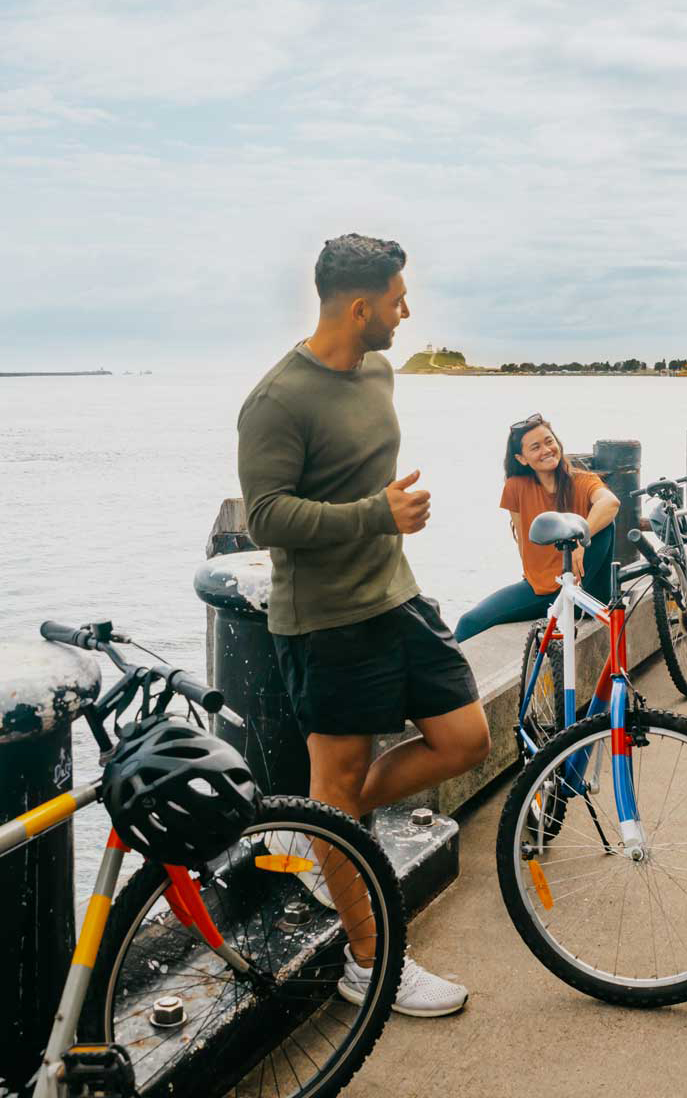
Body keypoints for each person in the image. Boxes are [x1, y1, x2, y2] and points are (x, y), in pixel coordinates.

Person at [237, 233, 485, 1016]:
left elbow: (358, 471)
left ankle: (328, 839)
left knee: (466, 739)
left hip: (396, 597)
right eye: (397, 300)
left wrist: (385, 516)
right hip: (326, 622)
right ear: (358, 305)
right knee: (335, 787)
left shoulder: (378, 371)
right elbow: (265, 517)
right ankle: (370, 959)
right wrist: (376, 513)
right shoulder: (277, 401)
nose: (406, 312)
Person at [454, 415, 619, 643]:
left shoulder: (583, 481)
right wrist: (536, 579)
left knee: (605, 522)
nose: (546, 450)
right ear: (522, 458)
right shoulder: (515, 488)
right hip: (543, 590)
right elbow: (524, 542)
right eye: (536, 447)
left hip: (586, 591)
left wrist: (581, 540)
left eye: (549, 441)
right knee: (468, 622)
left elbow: (611, 503)